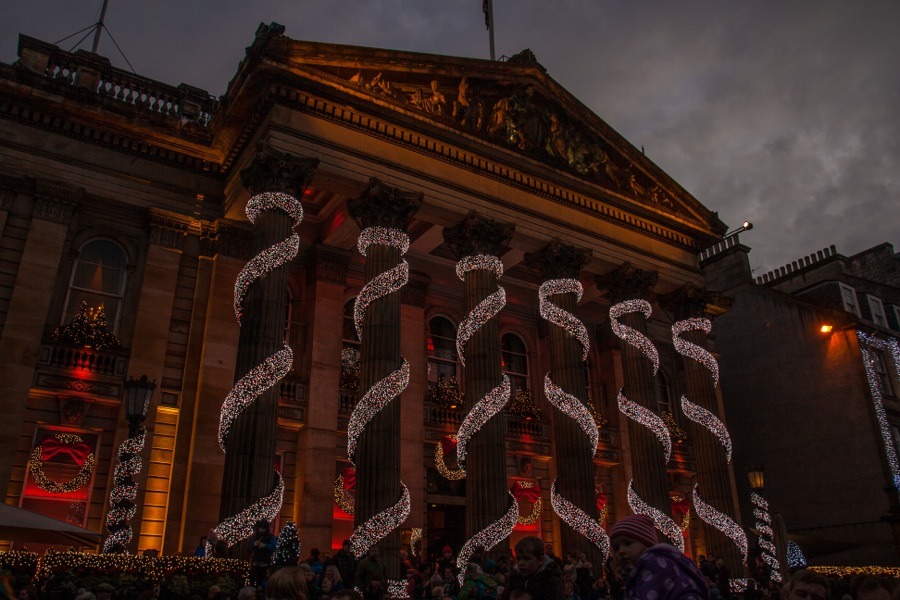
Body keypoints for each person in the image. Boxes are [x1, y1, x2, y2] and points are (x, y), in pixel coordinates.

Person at [609, 514, 708, 600]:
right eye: (616, 548)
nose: (621, 551)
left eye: (628, 543)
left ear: (646, 543)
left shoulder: (655, 563)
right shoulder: (642, 568)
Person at [501, 536, 564, 600]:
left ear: (540, 560)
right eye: (518, 559)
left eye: (526, 559)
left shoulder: (551, 581)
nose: (521, 563)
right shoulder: (515, 578)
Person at [249, 520, 278, 588]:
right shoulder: (255, 536)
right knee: (253, 579)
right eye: (260, 528)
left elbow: (274, 547)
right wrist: (254, 545)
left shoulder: (270, 537)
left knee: (262, 579)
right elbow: (250, 548)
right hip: (255, 562)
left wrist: (264, 545)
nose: (261, 530)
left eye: (263, 528)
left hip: (265, 562)